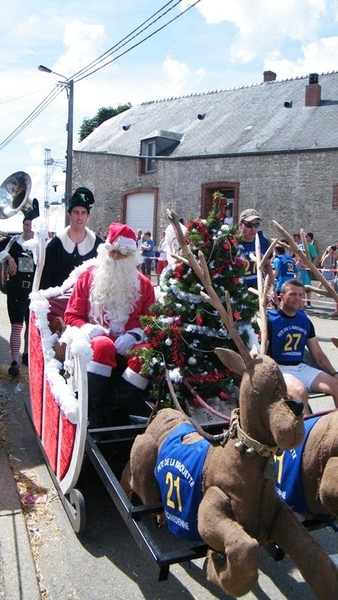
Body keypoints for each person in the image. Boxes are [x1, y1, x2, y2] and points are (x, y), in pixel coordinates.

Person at [64, 222, 155, 427]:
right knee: (103, 346)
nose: (115, 257)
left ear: (132, 257)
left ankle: (110, 409)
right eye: (111, 252)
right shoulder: (88, 279)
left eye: (121, 254)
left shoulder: (144, 284)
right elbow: (71, 315)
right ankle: (92, 408)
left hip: (129, 346)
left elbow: (153, 323)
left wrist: (135, 335)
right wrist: (89, 329)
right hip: (98, 344)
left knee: (147, 355)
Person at [267, 279, 338, 414]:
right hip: (280, 368)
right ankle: (306, 432)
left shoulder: (304, 319)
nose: (298, 298)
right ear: (281, 296)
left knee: (336, 385)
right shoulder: (270, 319)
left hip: (300, 366)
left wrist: (334, 373)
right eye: (293, 294)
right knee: (300, 392)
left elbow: (318, 354)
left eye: (301, 295)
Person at [0, 202, 39, 376]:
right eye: (26, 224)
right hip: (16, 289)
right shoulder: (14, 240)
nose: (28, 228)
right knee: (17, 325)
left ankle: (26, 354)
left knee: (30, 325)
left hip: (34, 290)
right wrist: (9, 258)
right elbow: (0, 250)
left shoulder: (41, 243)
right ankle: (14, 361)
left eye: (31, 225)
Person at [40, 187, 103, 289]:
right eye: (76, 212)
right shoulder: (56, 244)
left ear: (88, 216)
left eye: (83, 213)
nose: (80, 217)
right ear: (69, 214)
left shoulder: (98, 245)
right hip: (60, 302)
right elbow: (45, 280)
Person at [237, 209, 276, 299]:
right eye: (249, 225)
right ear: (240, 225)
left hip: (258, 291)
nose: (253, 229)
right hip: (238, 292)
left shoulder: (264, 242)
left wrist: (272, 287)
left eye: (256, 225)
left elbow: (267, 265)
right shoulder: (232, 243)